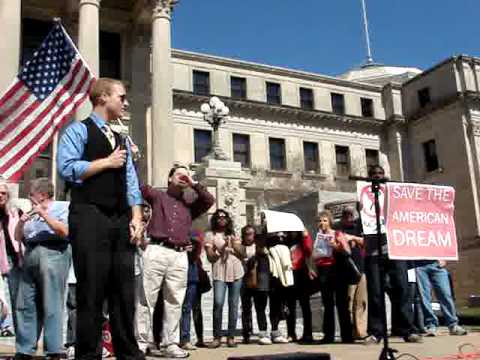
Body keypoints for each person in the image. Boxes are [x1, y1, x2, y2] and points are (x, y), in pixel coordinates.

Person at [57, 78, 146, 360]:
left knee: (124, 293)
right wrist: (106, 162)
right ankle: (88, 354)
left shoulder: (123, 138)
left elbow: (131, 180)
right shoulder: (77, 131)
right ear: (103, 97)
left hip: (120, 220)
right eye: (121, 96)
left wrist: (136, 215)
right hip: (88, 216)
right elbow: (67, 168)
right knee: (91, 291)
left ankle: (129, 354)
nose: (126, 102)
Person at [136, 164, 214, 358]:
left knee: (175, 301)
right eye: (179, 174)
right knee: (146, 299)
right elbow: (138, 186)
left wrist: (194, 183)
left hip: (179, 256)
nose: (183, 177)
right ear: (170, 178)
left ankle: (171, 343)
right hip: (156, 250)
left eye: (186, 175)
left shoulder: (190, 205)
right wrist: (136, 161)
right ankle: (140, 343)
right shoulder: (157, 196)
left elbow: (209, 200)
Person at [362, 165, 422, 344]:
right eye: (374, 174)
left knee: (403, 290)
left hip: (396, 250)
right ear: (369, 178)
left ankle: (407, 330)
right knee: (375, 293)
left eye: (381, 174)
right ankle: (376, 332)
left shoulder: (395, 198)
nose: (378, 177)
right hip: (373, 253)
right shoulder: (363, 198)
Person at [14, 178, 71, 359]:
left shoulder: (62, 207)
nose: (29, 198)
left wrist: (44, 215)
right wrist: (22, 222)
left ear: (42, 195)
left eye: (31, 194)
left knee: (51, 301)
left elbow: (64, 231)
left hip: (53, 251)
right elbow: (18, 237)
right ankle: (25, 348)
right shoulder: (31, 212)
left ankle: (54, 349)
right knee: (26, 303)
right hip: (31, 253)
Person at [311, 210, 353, 344]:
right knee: (327, 304)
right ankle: (328, 335)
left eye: (324, 220)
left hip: (337, 270)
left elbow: (348, 251)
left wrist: (336, 246)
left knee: (342, 303)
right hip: (323, 270)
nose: (321, 223)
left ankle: (347, 335)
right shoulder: (318, 236)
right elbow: (314, 255)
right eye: (319, 221)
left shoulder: (337, 234)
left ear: (330, 221)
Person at [205, 209, 244, 348]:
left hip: (236, 271)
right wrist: (221, 250)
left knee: (233, 305)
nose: (222, 219)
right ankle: (217, 337)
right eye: (219, 217)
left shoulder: (233, 234)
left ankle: (231, 337)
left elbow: (242, 253)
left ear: (228, 220)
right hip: (220, 270)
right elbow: (210, 257)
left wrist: (233, 244)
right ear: (215, 219)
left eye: (224, 217)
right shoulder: (210, 235)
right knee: (218, 303)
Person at [337, 206, 368, 341]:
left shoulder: (360, 228)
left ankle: (361, 332)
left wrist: (353, 238)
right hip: (346, 271)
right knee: (348, 304)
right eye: (346, 214)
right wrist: (346, 240)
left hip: (361, 269)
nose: (349, 216)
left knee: (361, 303)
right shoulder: (338, 229)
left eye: (351, 214)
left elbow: (367, 242)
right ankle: (348, 333)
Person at [415, 260, 467, 336]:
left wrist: (444, 258)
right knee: (424, 296)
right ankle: (431, 325)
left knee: (445, 294)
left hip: (437, 264)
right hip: (418, 264)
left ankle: (453, 325)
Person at [0, 181, 23, 337]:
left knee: (17, 299)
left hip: (14, 260)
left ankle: (22, 338)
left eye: (3, 193)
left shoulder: (15, 212)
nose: (0, 195)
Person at [285, 230, 315, 343]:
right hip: (289, 274)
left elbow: (309, 251)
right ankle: (291, 333)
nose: (292, 232)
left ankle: (308, 333)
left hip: (301, 273)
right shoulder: (285, 241)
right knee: (289, 305)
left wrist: (306, 236)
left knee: (305, 305)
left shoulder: (302, 241)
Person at [179, 230, 204, 350]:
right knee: (173, 308)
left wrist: (192, 246)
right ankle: (173, 339)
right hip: (176, 273)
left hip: (191, 274)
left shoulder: (194, 233)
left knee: (187, 308)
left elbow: (198, 247)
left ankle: (185, 339)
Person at [239, 224, 258, 344]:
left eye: (251, 233)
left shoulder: (258, 246)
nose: (249, 236)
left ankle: (261, 330)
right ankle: (246, 332)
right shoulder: (240, 247)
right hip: (243, 279)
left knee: (259, 305)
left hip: (256, 279)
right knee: (245, 307)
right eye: (246, 234)